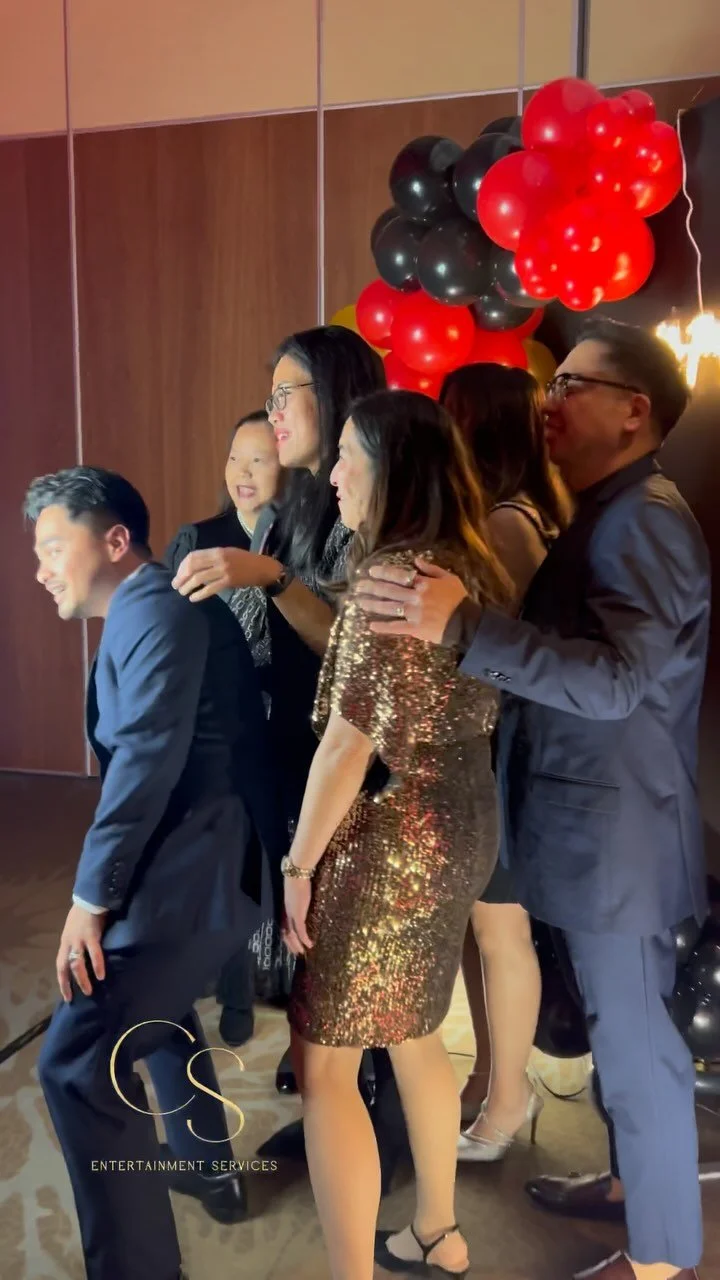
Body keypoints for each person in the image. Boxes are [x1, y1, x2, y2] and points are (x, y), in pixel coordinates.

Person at [355, 320, 707, 1280]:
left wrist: (465, 627)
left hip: (621, 843)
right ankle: (632, 1190)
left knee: (638, 1053)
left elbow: (620, 680)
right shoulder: (610, 509)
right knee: (619, 1038)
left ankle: (662, 1262)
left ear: (634, 411)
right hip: (601, 834)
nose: (550, 401)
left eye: (573, 386)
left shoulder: (644, 519)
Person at [281, 389, 510, 1280]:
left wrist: (299, 864)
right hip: (461, 821)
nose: (333, 474)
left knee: (327, 1067)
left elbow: (348, 745)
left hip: (393, 832)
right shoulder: (466, 564)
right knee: (415, 1032)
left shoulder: (393, 576)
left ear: (396, 468)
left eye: (349, 454)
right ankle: (439, 1233)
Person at [26, 467, 267, 1280]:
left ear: (115, 540)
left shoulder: (158, 611)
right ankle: (207, 1165)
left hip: (195, 874)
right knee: (155, 1012)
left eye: (53, 547)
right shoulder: (143, 609)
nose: (41, 570)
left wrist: (88, 899)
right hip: (189, 866)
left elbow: (145, 764)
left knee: (74, 1067)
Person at [172, 326, 386, 1096]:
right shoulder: (296, 502)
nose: (273, 416)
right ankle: (330, 1090)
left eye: (283, 397)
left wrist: (269, 577)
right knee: (311, 947)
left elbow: (351, 648)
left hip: (354, 763)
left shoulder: (363, 503)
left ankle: (368, 1118)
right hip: (295, 745)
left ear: (331, 395)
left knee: (354, 961)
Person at [439, 363, 572, 1152]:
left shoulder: (509, 523)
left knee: (500, 931)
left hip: (504, 753)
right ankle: (489, 1076)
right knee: (480, 926)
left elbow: (496, 653)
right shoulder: (519, 512)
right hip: (494, 748)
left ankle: (507, 1098)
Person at [165, 409, 283, 1050]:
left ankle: (281, 982)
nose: (243, 471)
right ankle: (235, 989)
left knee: (281, 857)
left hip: (286, 726)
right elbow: (170, 634)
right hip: (220, 728)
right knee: (226, 860)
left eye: (260, 459)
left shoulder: (297, 544)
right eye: (236, 457)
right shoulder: (200, 539)